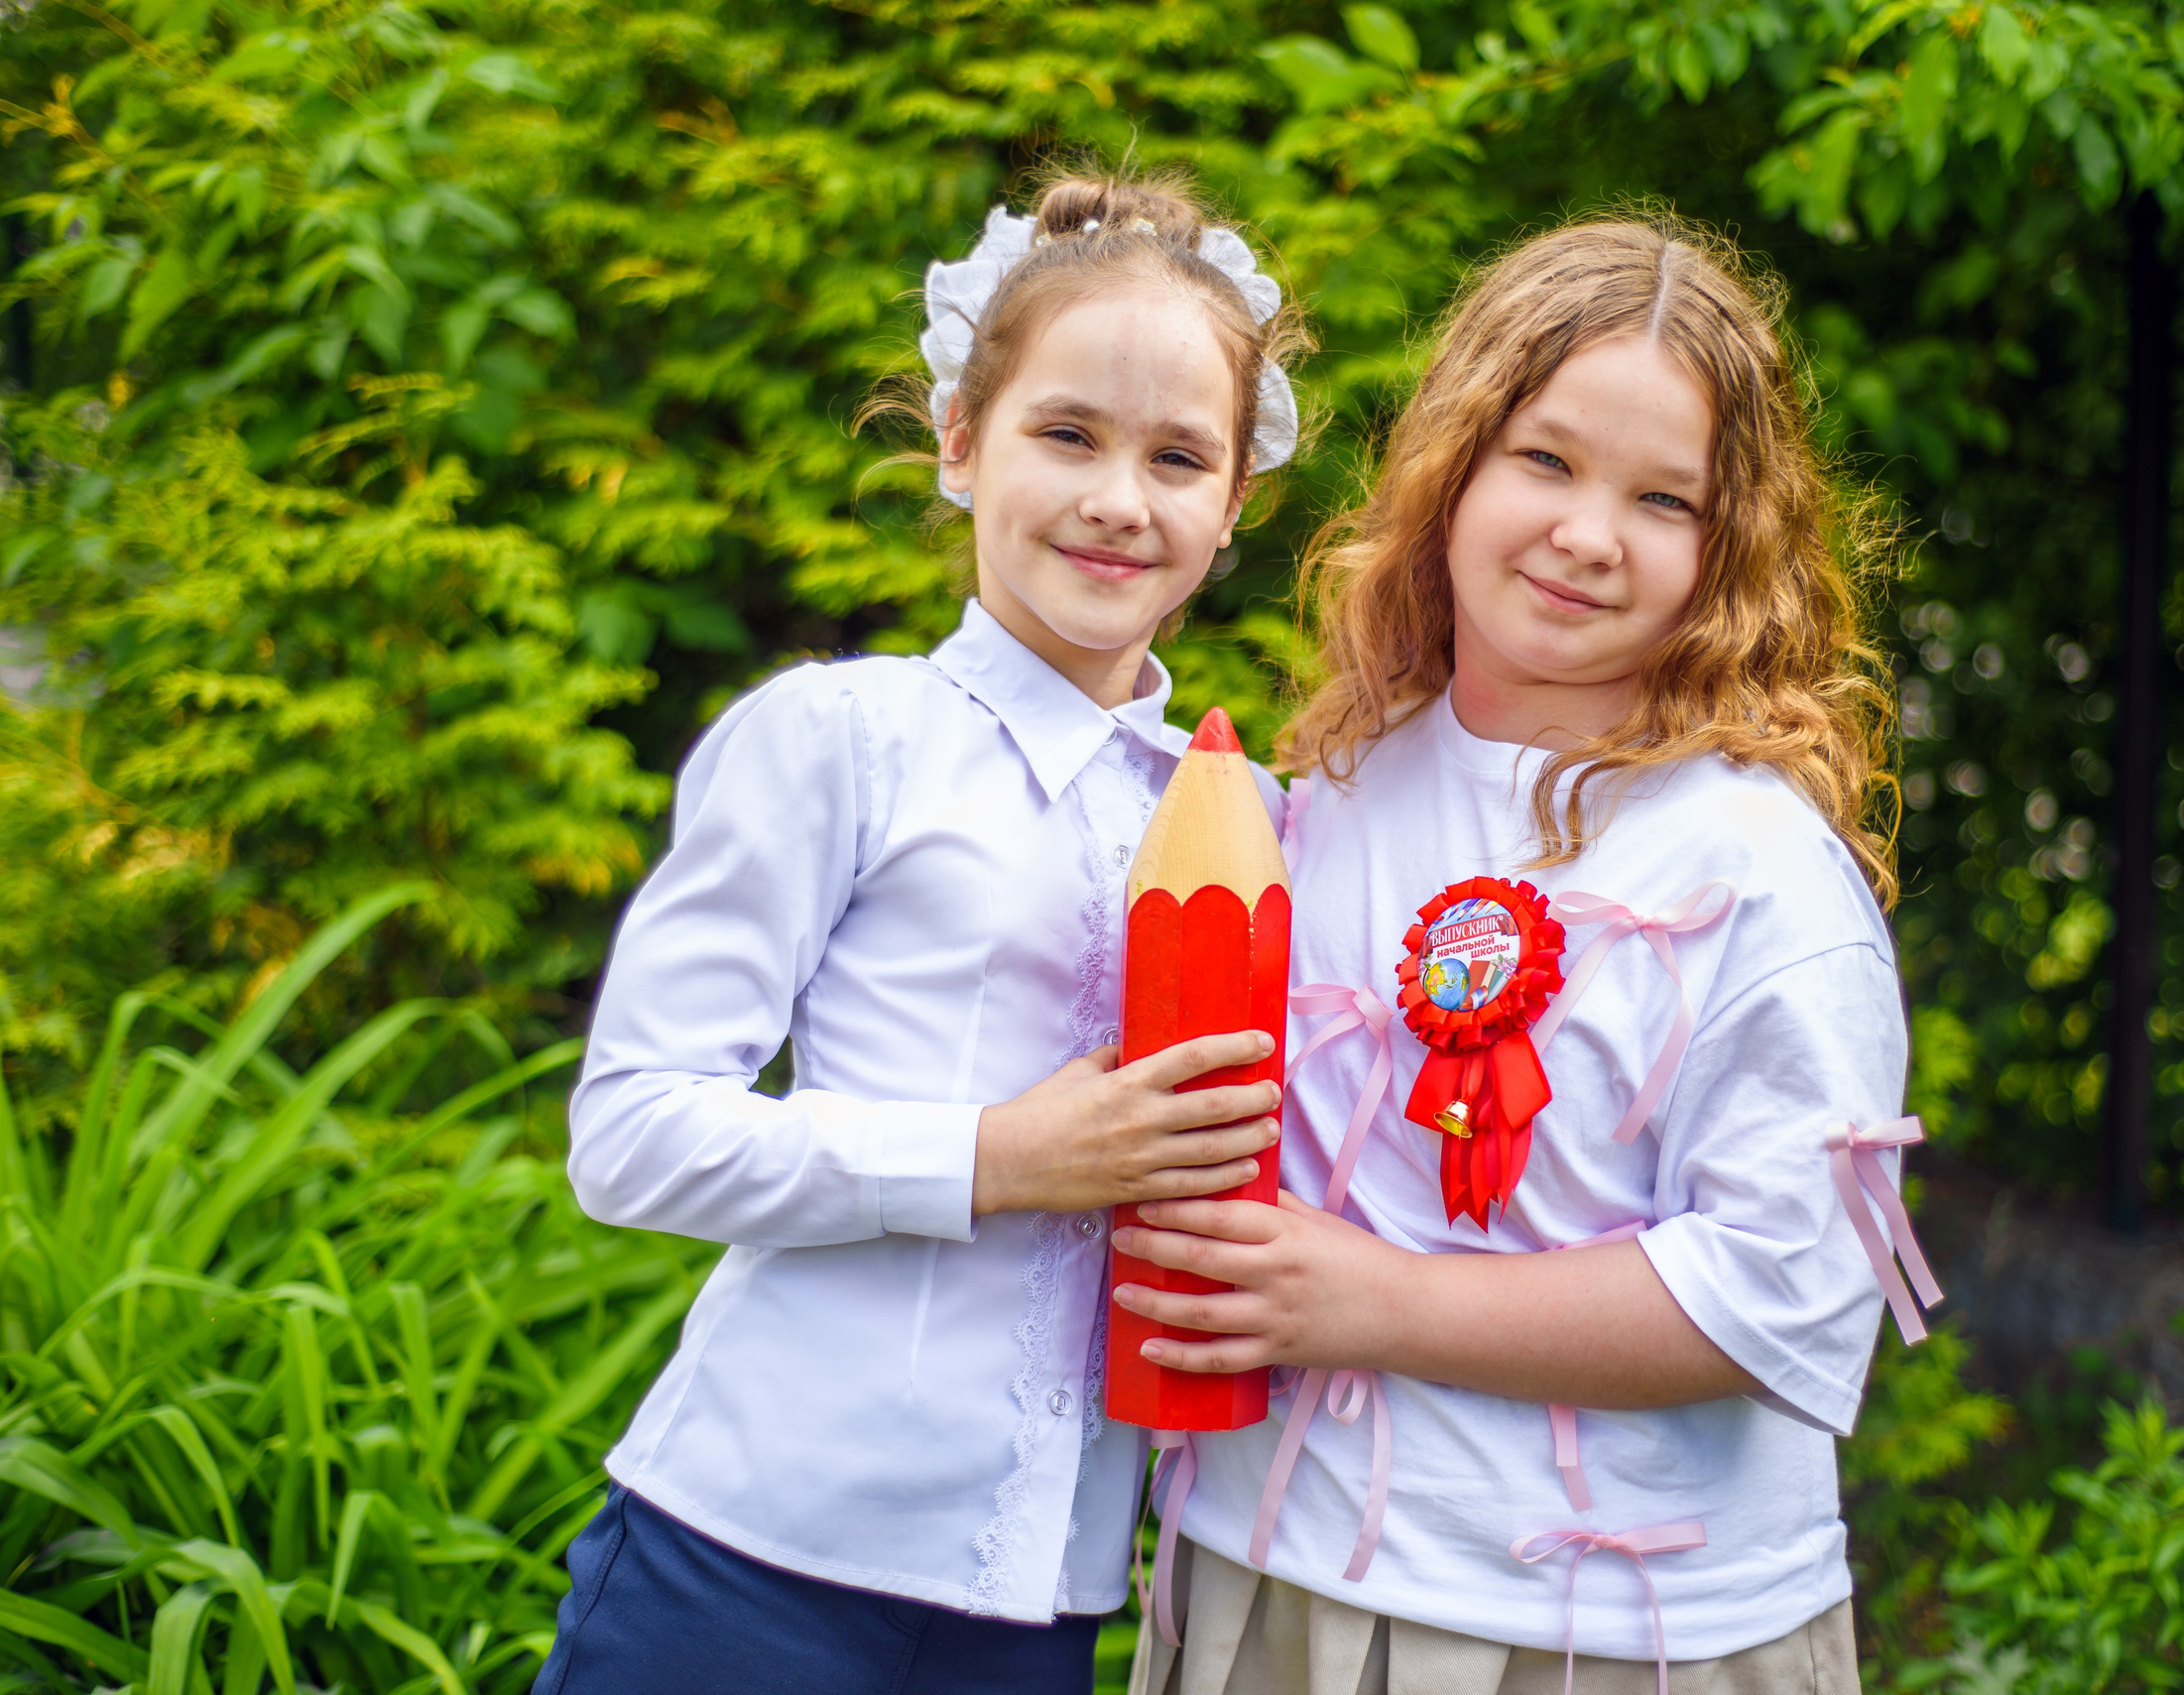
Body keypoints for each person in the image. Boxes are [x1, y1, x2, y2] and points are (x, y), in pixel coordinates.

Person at [1114, 216, 1927, 1695]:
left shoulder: (1758, 867)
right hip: (1268, 1574)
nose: (1587, 532)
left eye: (1663, 497)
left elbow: (1782, 1288)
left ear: (1729, 549)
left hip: (1618, 1637)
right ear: (1453, 465)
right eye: (1544, 460)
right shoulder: (1330, 792)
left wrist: (1374, 1302)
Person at [533, 172, 1307, 1695]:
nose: (1116, 499)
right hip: (744, 1564)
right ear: (961, 440)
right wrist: (996, 1157)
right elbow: (628, 1133)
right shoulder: (841, 740)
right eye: (1066, 433)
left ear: (1232, 507)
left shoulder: (1261, 814)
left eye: (1177, 457)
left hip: (1044, 1604)